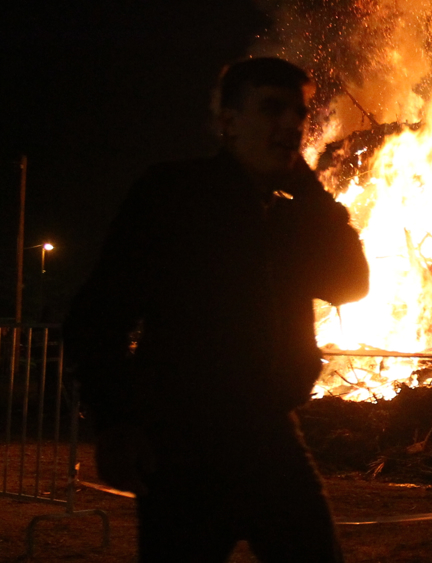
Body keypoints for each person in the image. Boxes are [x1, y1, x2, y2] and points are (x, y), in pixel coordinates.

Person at [65, 58, 370, 562]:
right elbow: (98, 317)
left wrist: (308, 185)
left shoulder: (290, 211)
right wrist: (115, 423)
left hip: (270, 434)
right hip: (184, 444)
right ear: (228, 121)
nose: (291, 125)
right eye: (271, 109)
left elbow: (351, 282)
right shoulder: (172, 197)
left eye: (298, 112)